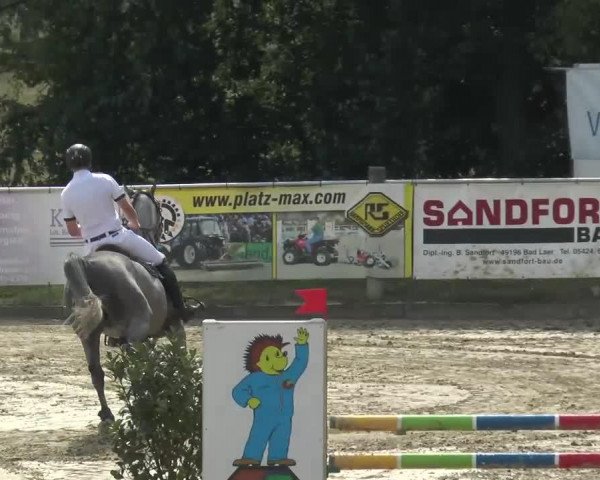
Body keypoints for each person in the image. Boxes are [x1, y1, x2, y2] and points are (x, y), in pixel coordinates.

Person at [60, 143, 199, 322]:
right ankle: (181, 310)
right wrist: (134, 222)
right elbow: (126, 207)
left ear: (69, 164)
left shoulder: (66, 193)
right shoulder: (104, 180)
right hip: (119, 237)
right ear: (89, 161)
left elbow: (72, 231)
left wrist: (88, 229)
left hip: (92, 246)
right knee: (161, 261)